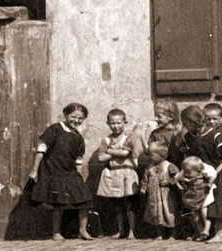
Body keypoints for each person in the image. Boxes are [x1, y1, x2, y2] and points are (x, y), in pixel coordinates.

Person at [27, 102, 93, 240]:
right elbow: (41, 150)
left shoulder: (78, 137)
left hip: (70, 172)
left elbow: (79, 160)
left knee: (85, 200)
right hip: (54, 172)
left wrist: (80, 178)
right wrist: (35, 170)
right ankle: (56, 232)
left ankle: (83, 230)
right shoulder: (55, 130)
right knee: (59, 203)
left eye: (80, 118)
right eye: (73, 116)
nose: (76, 120)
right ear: (65, 115)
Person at [182, 105, 222, 242]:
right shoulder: (189, 137)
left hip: (220, 170)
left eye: (186, 123)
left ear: (194, 121)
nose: (184, 126)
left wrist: (216, 174)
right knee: (200, 203)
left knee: (219, 202)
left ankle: (220, 233)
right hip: (204, 173)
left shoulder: (215, 135)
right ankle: (203, 232)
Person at [94, 108, 143, 238]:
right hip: (113, 173)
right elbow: (100, 158)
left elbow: (125, 153)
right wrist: (115, 152)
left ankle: (132, 231)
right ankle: (121, 230)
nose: (115, 126)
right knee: (118, 204)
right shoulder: (106, 140)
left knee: (130, 204)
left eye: (119, 123)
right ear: (108, 123)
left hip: (127, 173)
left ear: (125, 122)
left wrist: (109, 152)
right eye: (112, 123)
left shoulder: (129, 138)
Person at [141, 141, 178, 240]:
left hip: (166, 197)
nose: (149, 157)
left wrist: (169, 182)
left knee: (168, 214)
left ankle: (172, 234)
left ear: (162, 155)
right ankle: (159, 234)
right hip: (153, 196)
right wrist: (143, 187)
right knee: (155, 214)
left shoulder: (169, 166)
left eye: (152, 155)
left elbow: (178, 178)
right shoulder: (149, 167)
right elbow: (145, 178)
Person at [176, 155, 216, 241]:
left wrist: (209, 182)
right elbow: (177, 178)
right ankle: (201, 231)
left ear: (197, 170)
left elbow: (213, 174)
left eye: (189, 172)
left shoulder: (205, 172)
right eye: (185, 172)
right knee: (195, 215)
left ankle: (206, 230)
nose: (187, 174)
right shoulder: (185, 173)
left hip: (204, 194)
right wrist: (181, 184)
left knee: (204, 212)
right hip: (193, 195)